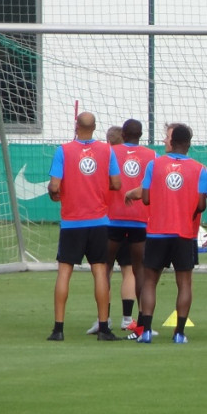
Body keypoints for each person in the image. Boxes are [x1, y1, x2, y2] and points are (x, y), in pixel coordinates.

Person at [126, 123, 207, 343]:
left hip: (157, 233)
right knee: (184, 283)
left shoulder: (155, 165)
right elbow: (202, 204)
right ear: (189, 144)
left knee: (150, 282)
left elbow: (145, 198)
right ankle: (179, 333)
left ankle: (146, 332)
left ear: (172, 142)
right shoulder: (201, 169)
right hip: (185, 234)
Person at [46, 112, 123, 341]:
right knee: (100, 271)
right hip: (98, 221)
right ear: (95, 127)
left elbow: (54, 185)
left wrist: (55, 192)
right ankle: (103, 327)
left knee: (64, 272)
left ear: (76, 126)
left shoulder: (64, 150)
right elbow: (117, 183)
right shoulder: (107, 150)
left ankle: (58, 329)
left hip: (72, 222)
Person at [86, 122, 156, 337]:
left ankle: (103, 320)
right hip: (140, 220)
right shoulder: (151, 155)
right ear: (141, 135)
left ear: (123, 134)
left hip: (111, 219)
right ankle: (142, 324)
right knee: (139, 270)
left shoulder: (109, 152)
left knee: (103, 269)